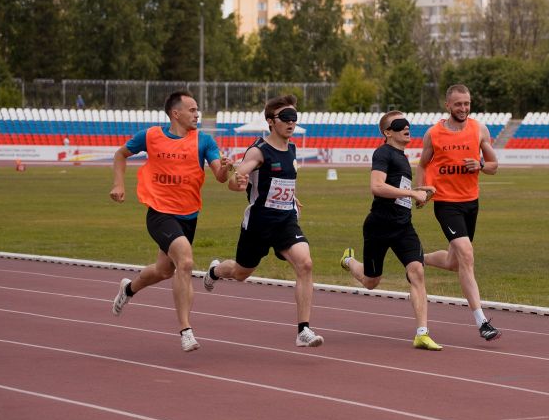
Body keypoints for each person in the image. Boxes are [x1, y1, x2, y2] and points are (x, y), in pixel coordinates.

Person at [109, 90, 232, 352]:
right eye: (192, 110)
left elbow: (220, 177)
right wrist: (119, 184)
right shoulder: (151, 136)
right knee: (185, 261)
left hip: (189, 215)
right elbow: (120, 154)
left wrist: (225, 167)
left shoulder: (204, 141)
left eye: (197, 110)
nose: (197, 114)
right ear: (176, 113)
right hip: (159, 213)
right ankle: (186, 330)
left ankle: (128, 289)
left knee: (164, 270)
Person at [203, 95, 324, 347]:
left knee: (305, 264)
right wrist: (238, 182)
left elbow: (280, 181)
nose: (291, 123)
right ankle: (215, 271)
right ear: (270, 121)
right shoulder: (258, 151)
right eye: (285, 117)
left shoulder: (292, 149)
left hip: (286, 221)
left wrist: (292, 197)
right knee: (240, 273)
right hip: (259, 223)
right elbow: (237, 179)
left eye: (294, 117)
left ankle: (303, 330)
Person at [339, 111, 441, 350]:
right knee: (371, 281)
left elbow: (397, 190)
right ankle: (349, 261)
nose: (406, 127)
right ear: (387, 132)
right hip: (379, 226)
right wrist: (411, 193)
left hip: (403, 226)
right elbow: (376, 187)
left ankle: (422, 333)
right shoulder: (383, 153)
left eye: (407, 124)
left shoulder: (403, 158)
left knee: (417, 271)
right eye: (400, 125)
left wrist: (419, 193)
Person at [414, 84, 502, 342]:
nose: (463, 108)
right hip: (446, 203)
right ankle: (482, 321)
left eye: (467, 103)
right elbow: (422, 164)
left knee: (455, 262)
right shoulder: (434, 134)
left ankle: (417, 258)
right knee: (466, 253)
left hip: (471, 202)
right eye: (458, 104)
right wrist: (421, 191)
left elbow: (494, 166)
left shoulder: (479, 129)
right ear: (448, 105)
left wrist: (480, 164)